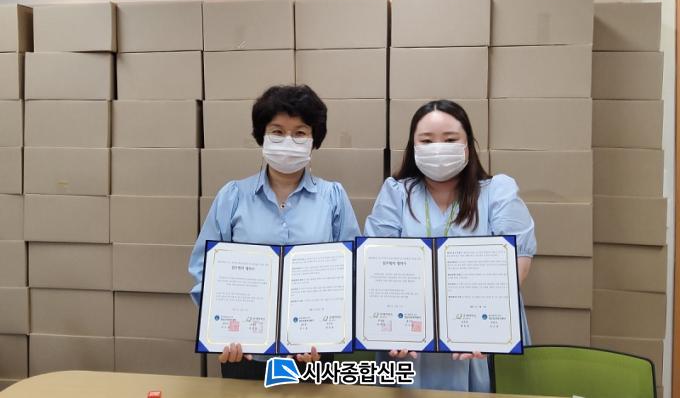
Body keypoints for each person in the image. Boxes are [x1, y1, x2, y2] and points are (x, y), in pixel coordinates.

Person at [188, 84, 360, 379]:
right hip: (244, 351)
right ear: (262, 135)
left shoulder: (333, 198)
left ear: (314, 140)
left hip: (314, 351)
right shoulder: (233, 196)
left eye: (300, 133)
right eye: (277, 131)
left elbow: (352, 270)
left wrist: (332, 332)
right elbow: (203, 269)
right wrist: (218, 329)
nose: (288, 141)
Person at [364, 99, 536, 392]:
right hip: (409, 339)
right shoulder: (396, 193)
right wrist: (393, 325)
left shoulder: (497, 192)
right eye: (426, 140)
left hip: (481, 336)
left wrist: (484, 325)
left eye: (450, 139)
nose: (438, 148)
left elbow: (518, 261)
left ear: (467, 145)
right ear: (413, 147)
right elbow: (377, 264)